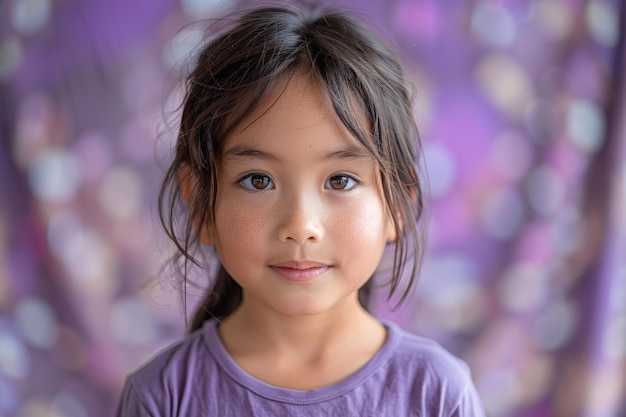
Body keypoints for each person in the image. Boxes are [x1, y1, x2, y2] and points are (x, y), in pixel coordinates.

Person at [115, 2, 486, 416]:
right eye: (259, 180)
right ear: (201, 202)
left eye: (340, 180)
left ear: (397, 206)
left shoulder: (435, 393)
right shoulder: (162, 396)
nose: (301, 226)